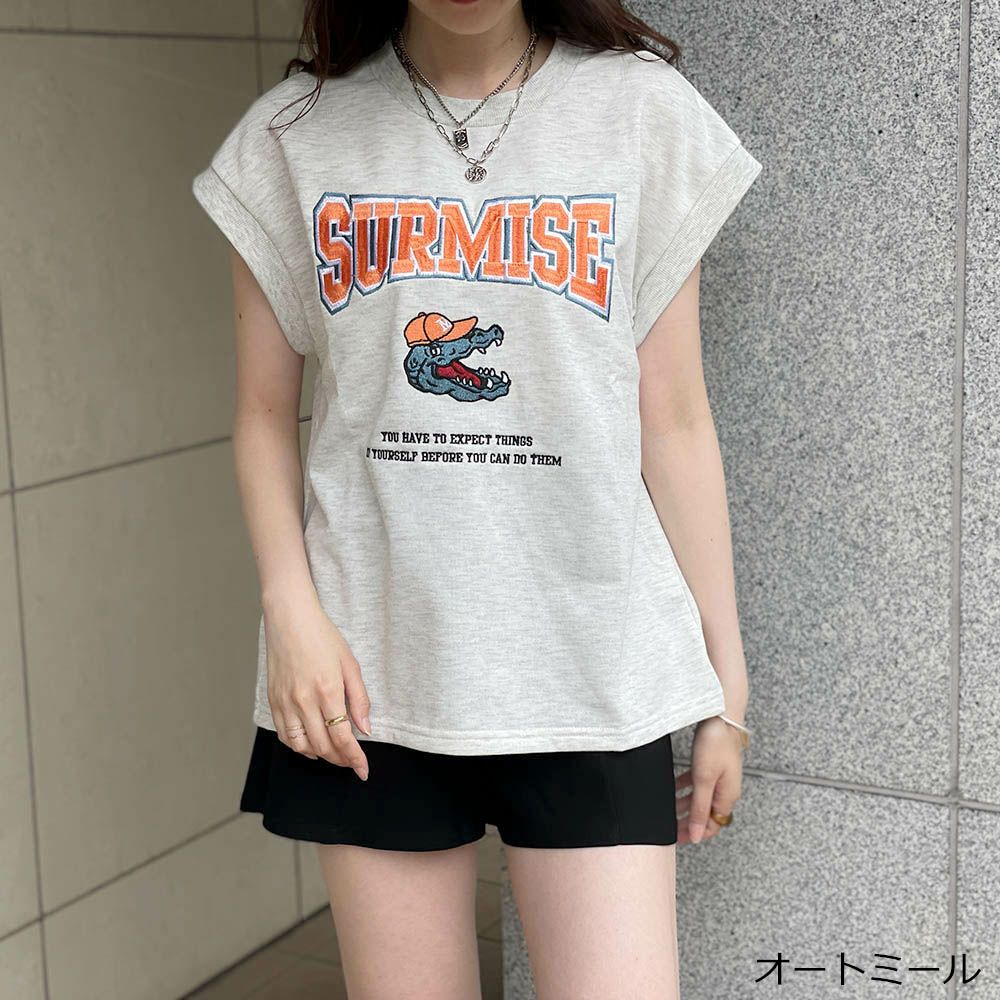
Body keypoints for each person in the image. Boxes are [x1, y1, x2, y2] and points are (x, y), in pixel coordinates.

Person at [192, 0, 761, 996]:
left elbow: (673, 418)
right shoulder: (295, 133)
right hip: (368, 671)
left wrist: (725, 686)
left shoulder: (641, 112)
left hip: (594, 664)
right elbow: (261, 415)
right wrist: (290, 612)